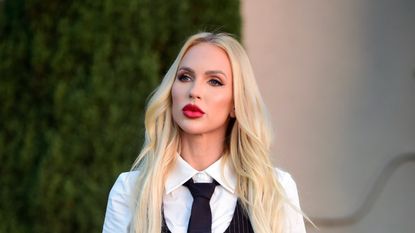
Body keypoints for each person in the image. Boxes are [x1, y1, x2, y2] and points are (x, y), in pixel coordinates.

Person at [102, 32, 307, 233]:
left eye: (214, 81)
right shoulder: (130, 192)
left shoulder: (273, 191)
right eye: (185, 77)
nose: (194, 91)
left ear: (236, 104)